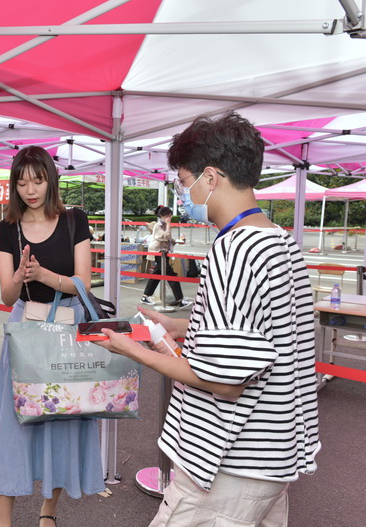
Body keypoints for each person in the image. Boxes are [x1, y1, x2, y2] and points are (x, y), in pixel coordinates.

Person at [97, 111, 321, 526]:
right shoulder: (278, 241)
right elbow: (262, 332)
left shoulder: (233, 249)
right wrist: (180, 326)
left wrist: (132, 350)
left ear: (211, 178)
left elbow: (223, 381)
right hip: (273, 453)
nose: (184, 195)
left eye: (185, 182)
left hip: (228, 462)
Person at [0, 146, 103, 527]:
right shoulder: (7, 228)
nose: (30, 190)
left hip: (68, 330)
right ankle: (3, 519)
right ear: (14, 185)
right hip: (25, 328)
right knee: (14, 423)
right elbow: (7, 296)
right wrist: (19, 276)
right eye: (22, 183)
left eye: (37, 181)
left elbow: (84, 283)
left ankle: (48, 512)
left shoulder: (75, 220)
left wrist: (44, 276)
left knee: (63, 418)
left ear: (50, 180)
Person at [140, 205, 191, 308]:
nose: (169, 217)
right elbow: (166, 236)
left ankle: (145, 296)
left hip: (163, 252)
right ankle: (180, 300)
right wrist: (168, 224)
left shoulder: (163, 225)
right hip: (158, 252)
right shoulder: (158, 226)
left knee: (156, 275)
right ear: (162, 216)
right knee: (171, 275)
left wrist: (176, 241)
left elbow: (168, 239)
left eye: (170, 215)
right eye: (167, 215)